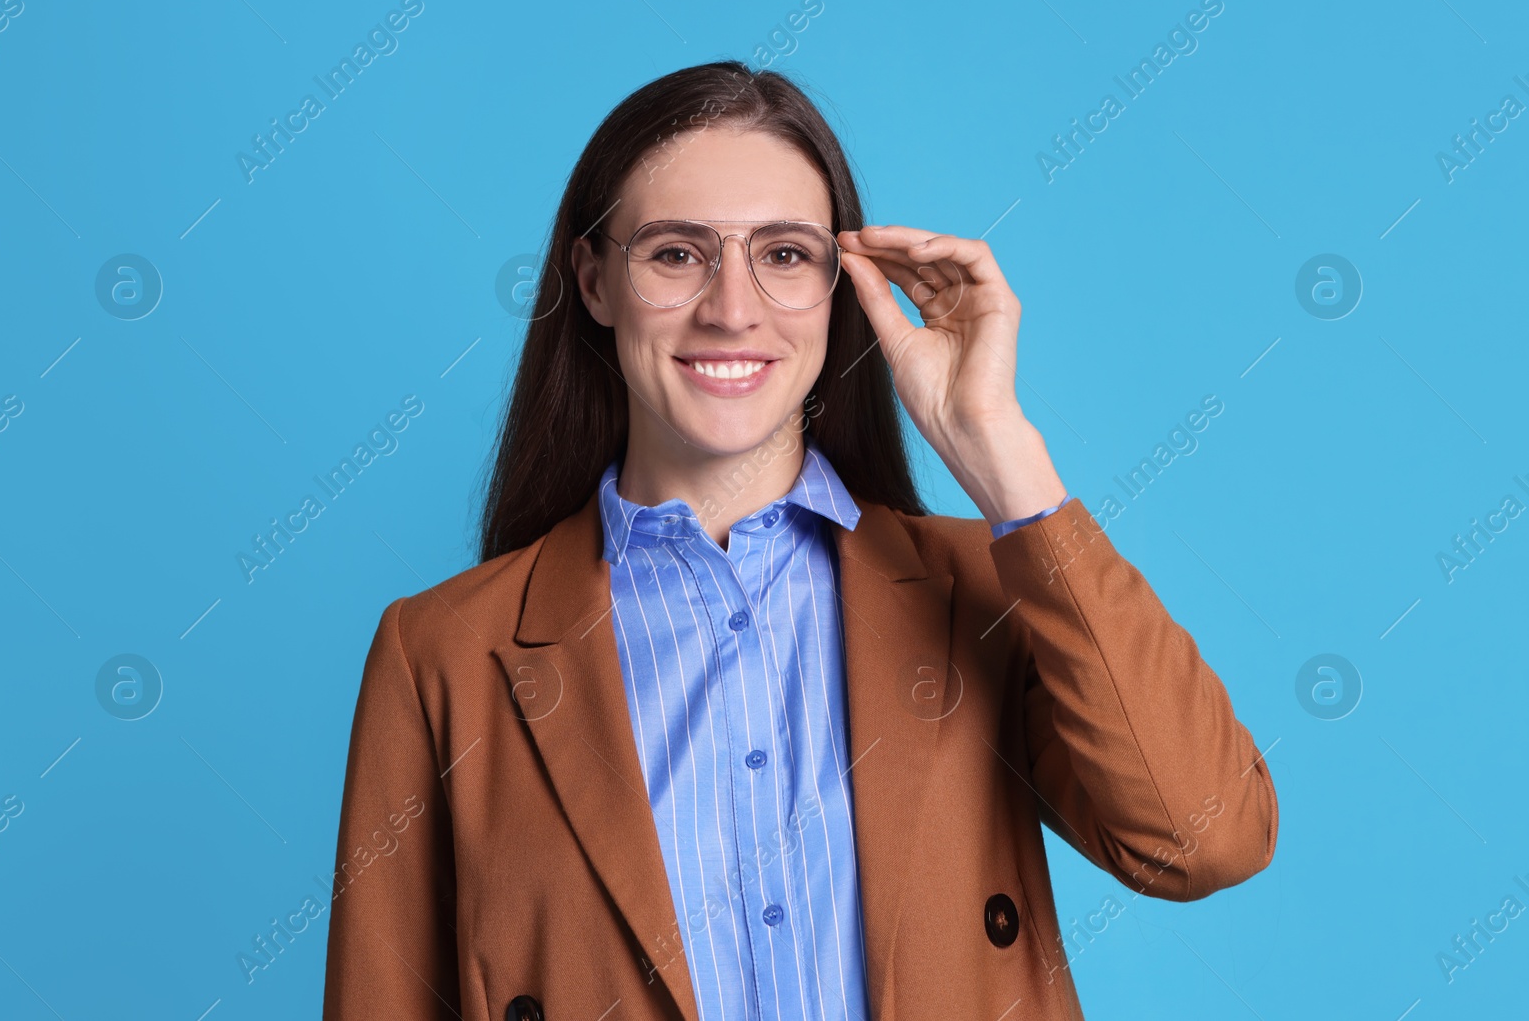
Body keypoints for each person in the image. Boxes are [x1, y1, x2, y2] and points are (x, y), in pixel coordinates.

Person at [323, 61, 1278, 1021]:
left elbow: (1206, 837)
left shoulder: (973, 590)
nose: (732, 308)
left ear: (842, 286)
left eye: (783, 254)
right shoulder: (442, 653)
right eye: (675, 253)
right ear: (595, 282)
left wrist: (999, 455)